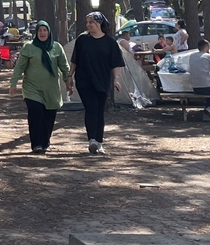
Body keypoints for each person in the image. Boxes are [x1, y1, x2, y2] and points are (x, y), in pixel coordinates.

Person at [8, 21, 71, 154]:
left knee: (49, 116)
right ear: (36, 33)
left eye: (45, 30)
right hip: (32, 88)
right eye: (40, 30)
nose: (42, 33)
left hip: (51, 89)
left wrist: (68, 81)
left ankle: (45, 142)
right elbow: (20, 67)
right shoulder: (29, 47)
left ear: (49, 32)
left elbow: (65, 67)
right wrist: (13, 83)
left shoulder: (57, 47)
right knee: (36, 113)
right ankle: (36, 144)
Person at [68, 11, 124, 155]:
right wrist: (70, 76)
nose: (88, 25)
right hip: (84, 80)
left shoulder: (110, 42)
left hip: (103, 80)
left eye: (91, 22)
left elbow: (116, 63)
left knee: (99, 111)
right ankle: (92, 139)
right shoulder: (82, 40)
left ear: (99, 23)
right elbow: (75, 60)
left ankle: (99, 142)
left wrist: (116, 79)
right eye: (87, 22)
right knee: (91, 107)